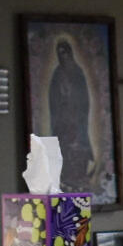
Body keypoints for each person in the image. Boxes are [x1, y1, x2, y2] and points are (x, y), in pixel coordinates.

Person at [45, 36, 98, 199]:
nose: (63, 56)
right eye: (60, 54)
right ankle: (66, 177)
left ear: (70, 53)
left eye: (65, 53)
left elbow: (83, 99)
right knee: (65, 146)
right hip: (62, 118)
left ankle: (79, 175)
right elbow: (53, 99)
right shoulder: (57, 74)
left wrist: (73, 102)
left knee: (78, 144)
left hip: (77, 118)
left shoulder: (77, 72)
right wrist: (62, 102)